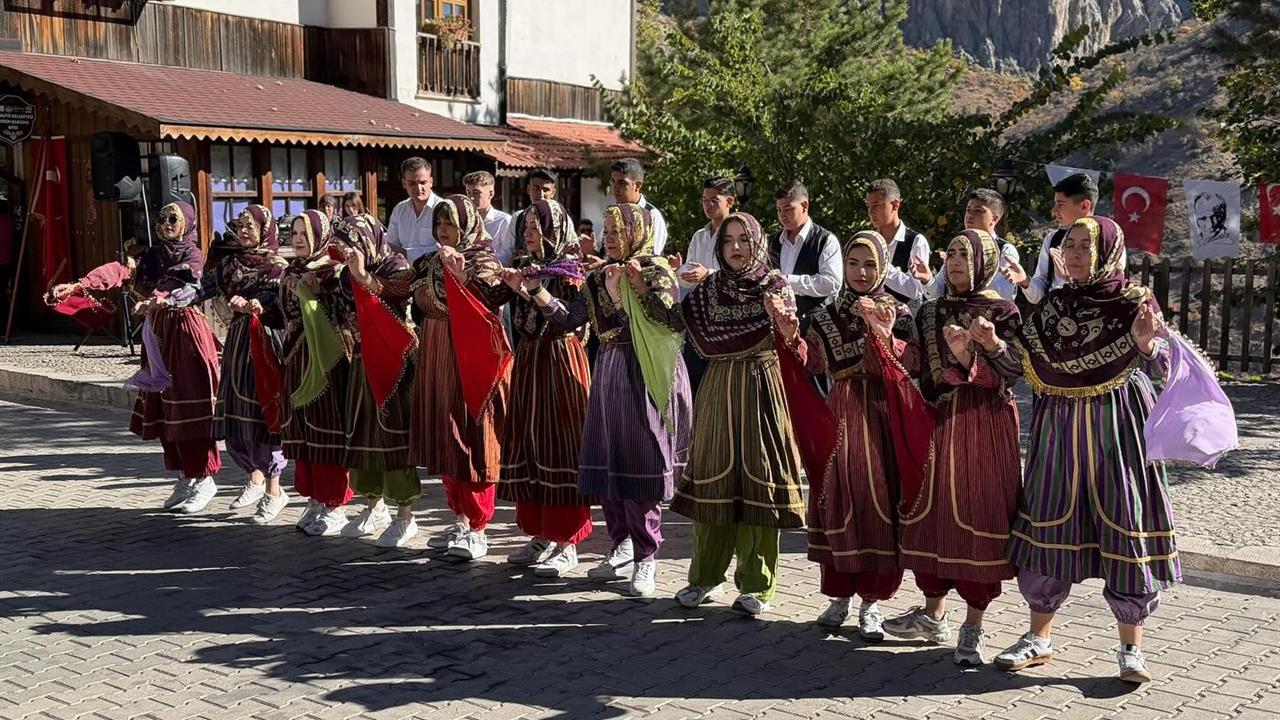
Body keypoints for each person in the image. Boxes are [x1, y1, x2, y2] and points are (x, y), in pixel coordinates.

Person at [996, 216, 1176, 684]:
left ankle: (1130, 648)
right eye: (1069, 245)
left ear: (1107, 252)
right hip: (1059, 425)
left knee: (1122, 518)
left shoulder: (1134, 301)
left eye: (1084, 246)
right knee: (1051, 514)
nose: (1074, 254)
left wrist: (1144, 345)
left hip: (1118, 424)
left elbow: (1164, 362)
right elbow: (1024, 360)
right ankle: (1039, 637)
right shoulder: (1055, 305)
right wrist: (989, 342)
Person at [532, 203, 692, 596]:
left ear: (638, 232)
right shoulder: (600, 273)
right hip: (609, 369)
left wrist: (626, 293)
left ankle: (647, 556)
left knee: (643, 460)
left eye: (618, 233)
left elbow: (670, 322)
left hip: (647, 372)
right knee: (609, 459)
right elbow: (571, 320)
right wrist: (534, 291)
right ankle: (620, 544)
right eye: (608, 232)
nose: (610, 239)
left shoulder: (655, 272)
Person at [883, 229, 1023, 667]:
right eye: (954, 254)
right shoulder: (931, 310)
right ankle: (932, 614)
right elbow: (918, 363)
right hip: (939, 419)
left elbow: (1015, 370)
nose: (957, 261)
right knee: (932, 512)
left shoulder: (1003, 311)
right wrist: (886, 336)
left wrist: (979, 351)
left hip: (984, 421)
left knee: (978, 515)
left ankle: (974, 624)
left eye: (967, 254)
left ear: (985, 260)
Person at [780, 230, 917, 641]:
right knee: (838, 499)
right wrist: (791, 338)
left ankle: (872, 602)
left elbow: (911, 364)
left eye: (870, 264)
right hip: (840, 415)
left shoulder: (900, 313)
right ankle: (839, 594)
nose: (860, 272)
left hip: (881, 417)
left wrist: (884, 332)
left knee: (879, 504)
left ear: (883, 267)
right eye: (854, 263)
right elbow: (814, 363)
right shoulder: (824, 316)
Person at [668, 211, 806, 616]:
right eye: (727, 241)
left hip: (762, 386)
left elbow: (792, 339)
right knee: (713, 479)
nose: (735, 248)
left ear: (758, 242)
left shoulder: (774, 285)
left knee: (758, 482)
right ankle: (704, 577)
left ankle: (757, 585)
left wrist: (786, 326)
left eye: (743, 239)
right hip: (718, 386)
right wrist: (653, 286)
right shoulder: (709, 289)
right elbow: (674, 319)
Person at [52, 202, 222, 513]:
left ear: (187, 223)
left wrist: (158, 301)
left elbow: (190, 289)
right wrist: (80, 284)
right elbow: (120, 271)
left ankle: (205, 477)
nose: (167, 224)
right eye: (163, 219)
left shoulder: (192, 255)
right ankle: (185, 475)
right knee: (162, 408)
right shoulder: (151, 257)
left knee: (190, 408)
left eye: (174, 219)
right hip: (157, 339)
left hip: (186, 336)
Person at [409, 195, 512, 561]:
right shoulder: (432, 261)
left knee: (473, 435)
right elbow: (409, 290)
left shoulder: (483, 261)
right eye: (439, 225)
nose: (443, 231)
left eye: (450, 224)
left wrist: (461, 276)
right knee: (446, 433)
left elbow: (491, 298)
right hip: (437, 351)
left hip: (470, 354)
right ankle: (459, 518)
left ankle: (478, 525)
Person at [499, 199, 596, 577]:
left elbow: (567, 322)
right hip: (530, 360)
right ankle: (540, 533)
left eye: (536, 230)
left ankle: (567, 540)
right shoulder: (531, 267)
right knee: (530, 440)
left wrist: (534, 290)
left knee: (560, 444)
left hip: (559, 360)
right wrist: (518, 288)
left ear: (554, 231)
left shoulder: (572, 269)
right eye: (525, 230)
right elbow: (528, 312)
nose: (529, 236)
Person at [199, 205, 290, 523]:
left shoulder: (276, 264)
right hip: (239, 340)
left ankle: (274, 492)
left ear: (266, 228)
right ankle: (253, 477)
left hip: (265, 339)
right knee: (236, 414)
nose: (245, 231)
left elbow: (274, 298)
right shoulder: (229, 263)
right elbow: (201, 289)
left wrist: (256, 304)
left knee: (262, 411)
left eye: (251, 225)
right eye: (240, 225)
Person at [335, 215, 422, 547]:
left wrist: (363, 276)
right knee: (361, 432)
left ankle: (405, 514)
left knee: (391, 436)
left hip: (393, 362)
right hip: (360, 360)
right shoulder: (346, 274)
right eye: (342, 245)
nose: (346, 251)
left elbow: (395, 300)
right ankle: (373, 505)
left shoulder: (396, 267)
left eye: (350, 243)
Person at [279, 210, 354, 535]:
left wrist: (314, 292)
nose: (297, 239)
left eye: (304, 234)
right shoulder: (290, 271)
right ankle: (314, 499)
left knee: (325, 430)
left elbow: (341, 313)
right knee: (301, 430)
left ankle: (335, 504)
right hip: (296, 357)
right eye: (294, 233)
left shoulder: (331, 273)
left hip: (325, 358)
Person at [1003, 173, 1112, 303]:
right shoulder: (1053, 239)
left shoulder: (1108, 242)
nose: (1054, 211)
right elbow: (1040, 297)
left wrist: (1068, 278)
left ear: (1084, 206)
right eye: (1070, 245)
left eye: (1061, 204)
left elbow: (1107, 291)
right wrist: (1025, 280)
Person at [675, 176, 735, 394]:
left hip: (729, 320)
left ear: (729, 201)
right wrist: (678, 270)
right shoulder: (700, 236)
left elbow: (744, 275)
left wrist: (708, 274)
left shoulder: (738, 235)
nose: (707, 206)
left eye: (713, 200)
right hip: (700, 319)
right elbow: (688, 276)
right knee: (695, 382)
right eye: (704, 200)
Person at [921, 190, 1021, 301]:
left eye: (978, 211)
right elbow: (937, 293)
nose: (970, 215)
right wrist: (927, 279)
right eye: (968, 210)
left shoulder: (1004, 250)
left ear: (994, 219)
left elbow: (1004, 293)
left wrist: (970, 274)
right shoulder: (958, 246)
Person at [769, 182, 842, 330]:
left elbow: (832, 283)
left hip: (816, 328)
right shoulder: (771, 242)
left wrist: (788, 281)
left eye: (788, 209)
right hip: (779, 327)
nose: (782, 215)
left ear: (804, 206)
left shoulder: (826, 240)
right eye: (779, 210)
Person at [865, 178, 930, 307]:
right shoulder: (868, 240)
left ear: (895, 205)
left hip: (905, 320)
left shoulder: (916, 241)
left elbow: (915, 290)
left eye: (877, 205)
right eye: (868, 206)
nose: (871, 212)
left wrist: (882, 267)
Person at [386, 157, 443, 262]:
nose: (418, 188)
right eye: (412, 183)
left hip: (434, 273)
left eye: (423, 182)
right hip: (403, 272)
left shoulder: (443, 209)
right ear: (404, 183)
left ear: (431, 182)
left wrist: (407, 253)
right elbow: (390, 247)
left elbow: (445, 248)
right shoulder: (399, 209)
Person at [607, 158, 668, 254]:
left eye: (622, 183)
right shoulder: (613, 214)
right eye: (613, 181)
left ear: (638, 185)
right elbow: (601, 250)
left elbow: (650, 256)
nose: (615, 187)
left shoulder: (652, 216)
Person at [464, 171, 515, 266]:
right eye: (468, 192)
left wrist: (482, 260)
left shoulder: (503, 221)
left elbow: (508, 256)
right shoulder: (464, 220)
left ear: (491, 194)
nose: (471, 197)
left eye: (476, 193)